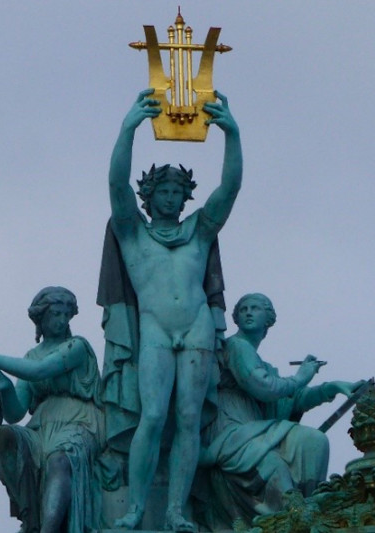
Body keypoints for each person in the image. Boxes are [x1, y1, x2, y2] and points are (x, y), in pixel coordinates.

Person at [103, 88, 242, 531]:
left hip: (197, 326)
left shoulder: (199, 231)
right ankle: (135, 509)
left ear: (185, 198)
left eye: (177, 190)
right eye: (162, 189)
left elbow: (230, 189)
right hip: (157, 329)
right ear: (148, 194)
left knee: (187, 419)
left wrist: (232, 136)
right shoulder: (131, 232)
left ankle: (177, 511)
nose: (169, 196)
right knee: (154, 415)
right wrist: (128, 129)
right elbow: (114, 184)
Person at [199, 293, 364, 529]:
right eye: (243, 308)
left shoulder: (261, 363)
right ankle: (287, 520)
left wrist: (334, 387)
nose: (247, 312)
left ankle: (309, 509)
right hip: (230, 429)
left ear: (269, 320)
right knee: (274, 467)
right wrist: (301, 376)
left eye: (255, 308)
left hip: (254, 429)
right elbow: (265, 387)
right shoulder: (236, 346)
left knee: (314, 440)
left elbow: (289, 401)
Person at [0, 287, 105, 533]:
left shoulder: (77, 347)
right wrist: (3, 386)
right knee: (4, 437)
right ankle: (30, 518)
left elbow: (39, 371)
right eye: (56, 314)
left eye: (67, 314)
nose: (62, 320)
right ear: (41, 318)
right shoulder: (31, 355)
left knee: (59, 460)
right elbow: (16, 412)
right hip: (41, 426)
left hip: (79, 421)